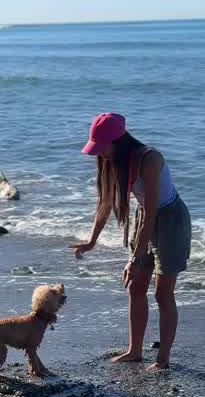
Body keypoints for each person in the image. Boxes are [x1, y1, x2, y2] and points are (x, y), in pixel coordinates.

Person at [72, 112, 192, 369]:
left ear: (119, 141)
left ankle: (163, 359)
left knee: (162, 293)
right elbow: (105, 203)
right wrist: (92, 240)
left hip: (169, 219)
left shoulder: (150, 159)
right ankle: (134, 351)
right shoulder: (112, 160)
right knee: (136, 287)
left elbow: (153, 210)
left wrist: (136, 258)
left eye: (102, 147)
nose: (99, 154)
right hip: (144, 216)